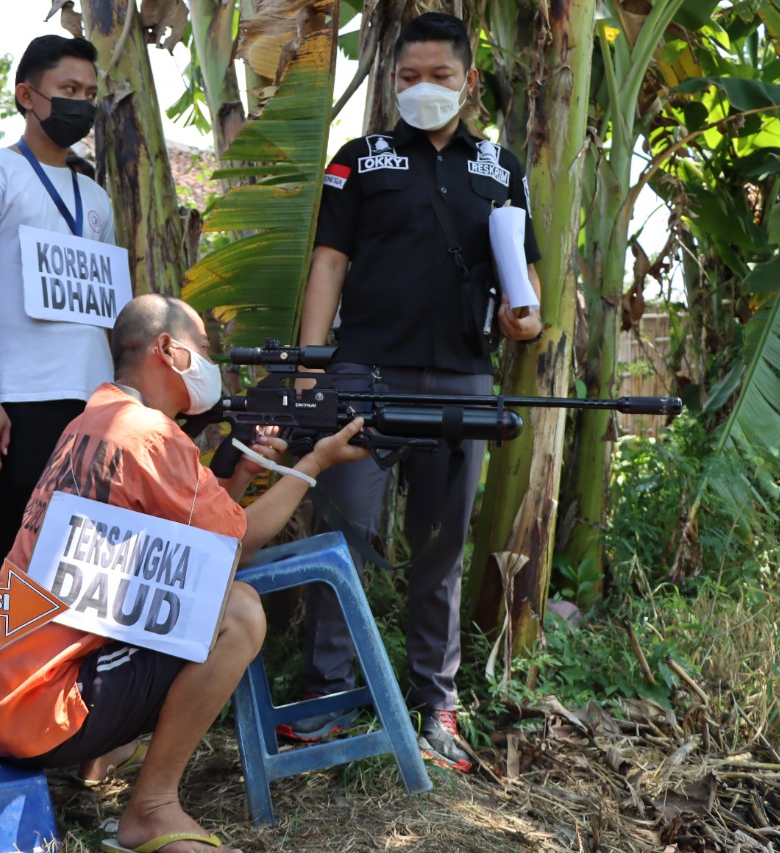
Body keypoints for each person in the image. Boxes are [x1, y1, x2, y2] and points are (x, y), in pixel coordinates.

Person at [0, 295, 367, 853]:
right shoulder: (154, 436)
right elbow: (240, 546)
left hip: (9, 702)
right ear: (168, 349)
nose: (210, 363)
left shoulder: (94, 420)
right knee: (238, 611)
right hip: (50, 712)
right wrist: (314, 464)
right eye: (203, 348)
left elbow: (186, 535)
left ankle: (102, 757)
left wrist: (240, 476)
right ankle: (152, 809)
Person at [289, 13, 544, 772]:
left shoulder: (501, 170)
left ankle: (437, 702)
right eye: (407, 76)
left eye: (439, 75)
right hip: (362, 377)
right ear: (390, 79)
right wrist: (311, 364)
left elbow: (526, 283)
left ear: (469, 81)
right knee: (341, 537)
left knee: (442, 547)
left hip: (463, 382)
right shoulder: (358, 160)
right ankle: (328, 696)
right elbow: (329, 262)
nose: (422, 88)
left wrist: (524, 320)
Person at [0, 34, 116, 582]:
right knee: (4, 556)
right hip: (18, 402)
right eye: (68, 89)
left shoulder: (96, 198)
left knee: (78, 563)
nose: (81, 103)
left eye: (88, 93)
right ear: (27, 95)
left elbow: (108, 310)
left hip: (93, 405)